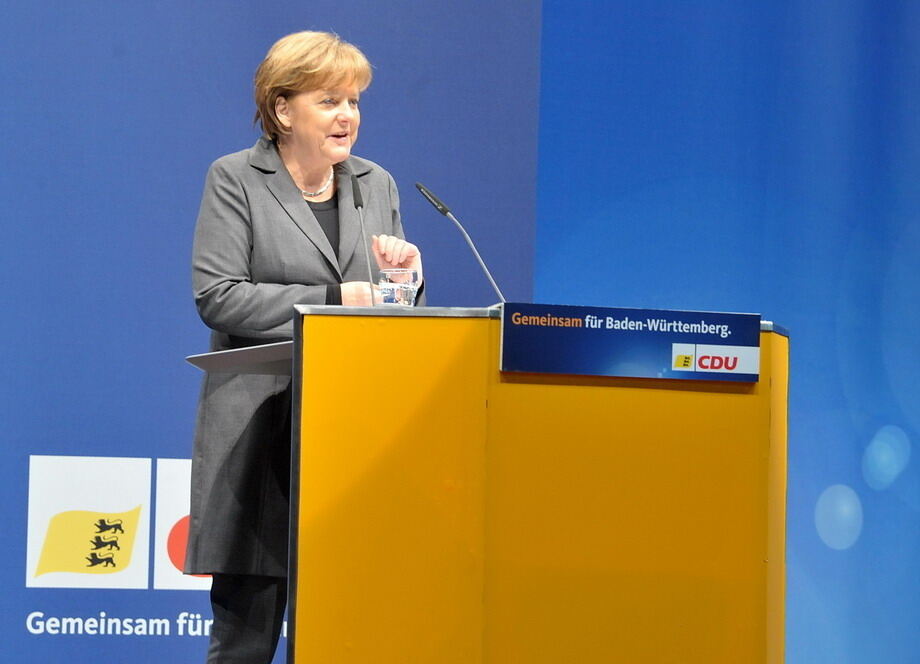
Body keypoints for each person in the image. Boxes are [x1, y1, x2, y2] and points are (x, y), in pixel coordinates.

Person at [186, 31, 424, 664]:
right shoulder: (236, 178)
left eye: (354, 101)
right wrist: (332, 296)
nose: (348, 115)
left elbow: (391, 313)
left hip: (348, 437)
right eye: (330, 100)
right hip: (261, 435)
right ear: (283, 109)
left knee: (342, 635)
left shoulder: (377, 185)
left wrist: (405, 281)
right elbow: (219, 296)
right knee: (245, 640)